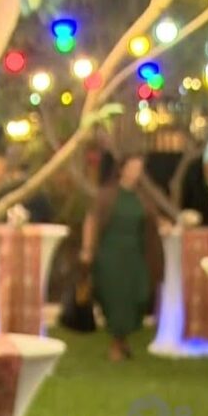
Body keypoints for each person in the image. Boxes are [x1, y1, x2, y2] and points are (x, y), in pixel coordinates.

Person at [79, 154, 168, 362]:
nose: (136, 172)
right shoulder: (107, 195)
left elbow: (153, 219)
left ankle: (123, 339)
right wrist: (87, 248)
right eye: (133, 167)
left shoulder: (141, 197)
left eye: (139, 168)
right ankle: (116, 344)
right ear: (122, 169)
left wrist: (164, 225)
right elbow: (91, 220)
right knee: (116, 299)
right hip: (110, 254)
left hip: (135, 254)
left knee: (138, 296)